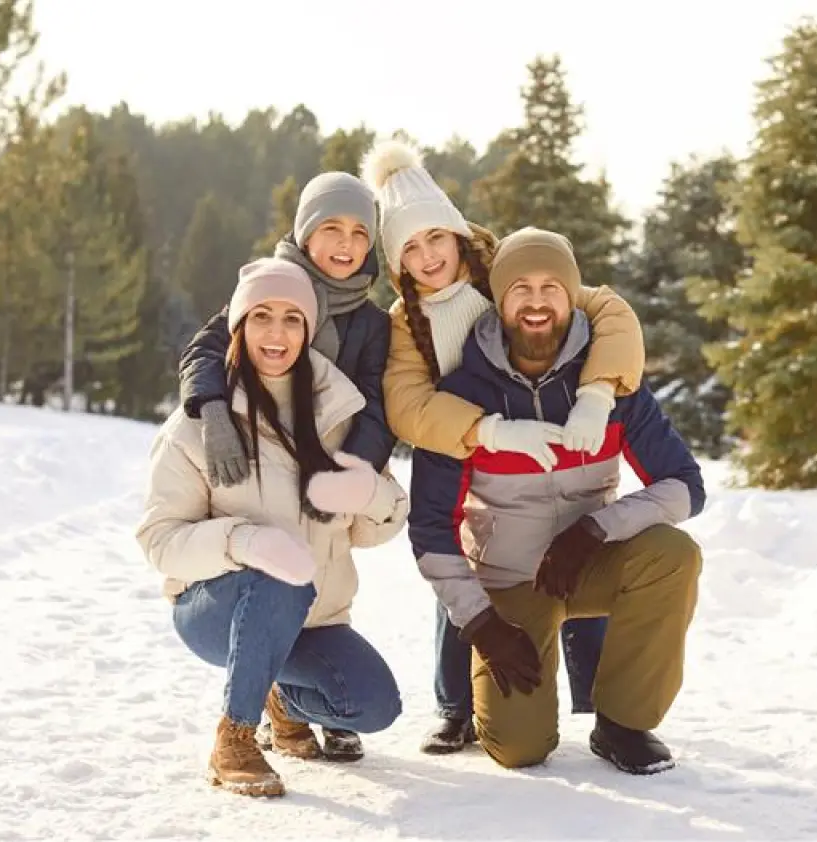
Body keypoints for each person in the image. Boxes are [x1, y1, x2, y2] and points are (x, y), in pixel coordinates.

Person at [362, 139, 646, 754]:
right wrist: (486, 430)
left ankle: (600, 702)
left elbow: (609, 311)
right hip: (476, 458)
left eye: (435, 237)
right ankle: (456, 707)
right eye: (409, 247)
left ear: (457, 234)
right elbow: (407, 404)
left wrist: (598, 391)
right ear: (397, 260)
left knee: (578, 550)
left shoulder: (507, 275)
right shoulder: (406, 323)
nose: (427, 256)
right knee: (463, 564)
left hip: (559, 439)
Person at [408, 227, 705, 775]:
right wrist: (481, 624)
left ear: (572, 297)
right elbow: (429, 529)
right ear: (499, 302)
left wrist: (596, 530)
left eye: (552, 287)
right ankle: (473, 706)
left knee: (673, 554)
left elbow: (686, 486)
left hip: (588, 563)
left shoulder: (613, 387)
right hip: (510, 582)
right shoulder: (462, 398)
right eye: (520, 288)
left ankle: (623, 724)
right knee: (519, 749)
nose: (537, 302)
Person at [136, 258, 407, 797]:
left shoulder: (339, 413)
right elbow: (160, 541)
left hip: (314, 618)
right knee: (278, 576)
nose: (277, 334)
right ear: (239, 325)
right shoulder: (197, 424)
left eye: (291, 319)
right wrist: (243, 542)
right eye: (261, 316)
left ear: (308, 330)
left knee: (374, 705)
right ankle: (234, 737)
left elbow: (376, 527)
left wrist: (368, 493)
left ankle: (276, 695)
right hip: (217, 610)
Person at [177, 170, 393, 759]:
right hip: (257, 456)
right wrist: (213, 411)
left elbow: (377, 404)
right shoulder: (269, 287)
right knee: (271, 566)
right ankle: (242, 722)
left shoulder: (371, 323)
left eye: (360, 232)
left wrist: (351, 471)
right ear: (303, 232)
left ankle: (298, 695)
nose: (346, 244)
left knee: (320, 573)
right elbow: (206, 349)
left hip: (319, 464)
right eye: (331, 228)